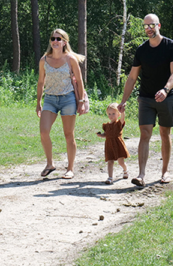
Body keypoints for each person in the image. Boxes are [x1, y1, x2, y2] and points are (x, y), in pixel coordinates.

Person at [117, 13, 173, 187]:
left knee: (164, 134)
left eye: (151, 25)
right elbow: (132, 77)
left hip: (166, 98)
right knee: (144, 134)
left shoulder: (171, 46)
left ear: (158, 25)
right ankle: (141, 175)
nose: (148, 29)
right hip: (145, 98)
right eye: (145, 26)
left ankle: (165, 171)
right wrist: (123, 100)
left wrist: (165, 90)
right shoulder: (142, 50)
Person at [35, 29, 88, 179]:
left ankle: (70, 168)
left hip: (68, 99)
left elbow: (80, 81)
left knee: (68, 134)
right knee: (44, 132)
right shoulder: (44, 60)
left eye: (59, 39)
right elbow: (40, 82)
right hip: (50, 99)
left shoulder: (70, 59)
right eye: (53, 38)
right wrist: (38, 102)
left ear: (65, 42)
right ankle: (50, 164)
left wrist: (81, 102)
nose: (55, 41)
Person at [97, 102, 129, 184]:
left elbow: (122, 119)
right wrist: (101, 135)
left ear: (118, 114)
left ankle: (125, 170)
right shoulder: (106, 126)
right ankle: (110, 177)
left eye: (113, 113)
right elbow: (106, 135)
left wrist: (123, 112)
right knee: (110, 161)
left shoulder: (119, 124)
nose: (111, 116)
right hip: (109, 145)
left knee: (120, 161)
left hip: (118, 145)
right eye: (109, 114)